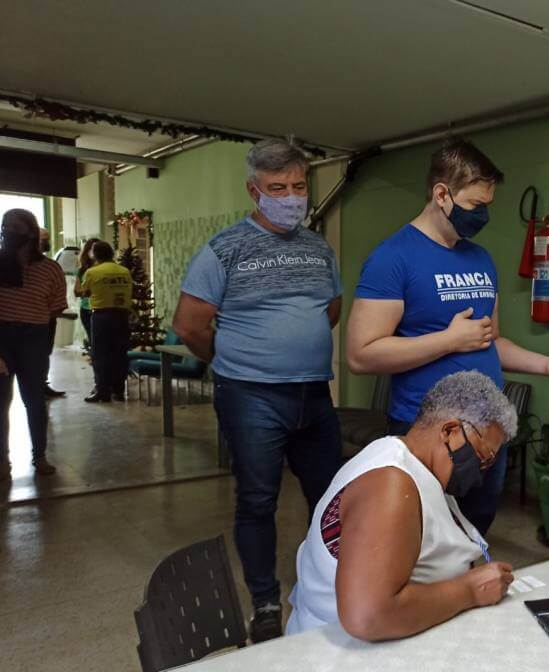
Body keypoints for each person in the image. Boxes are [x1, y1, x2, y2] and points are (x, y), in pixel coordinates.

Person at [346, 138, 549, 535]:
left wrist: (545, 364)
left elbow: (489, 339)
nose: (483, 215)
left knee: (473, 535)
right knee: (421, 540)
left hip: (487, 431)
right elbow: (361, 354)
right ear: (442, 194)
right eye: (476, 205)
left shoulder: (480, 258)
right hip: (429, 434)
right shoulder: (393, 258)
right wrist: (448, 340)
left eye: (487, 205)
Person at [172, 138, 344, 643]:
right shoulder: (224, 248)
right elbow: (189, 325)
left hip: (313, 393)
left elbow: (329, 310)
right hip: (251, 396)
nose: (291, 196)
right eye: (277, 188)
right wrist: (229, 359)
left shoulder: (318, 247)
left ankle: (330, 584)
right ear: (254, 189)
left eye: (297, 186)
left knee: (333, 497)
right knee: (256, 500)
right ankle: (266, 602)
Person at [286, 371, 516, 640]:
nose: (481, 471)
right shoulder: (390, 484)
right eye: (481, 457)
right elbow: (368, 616)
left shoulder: (410, 462)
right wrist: (470, 591)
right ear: (450, 431)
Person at [0, 209, 67, 479]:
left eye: (13, 227)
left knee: (35, 400)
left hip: (35, 337)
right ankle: (2, 461)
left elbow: (54, 308)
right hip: (1, 338)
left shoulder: (51, 268)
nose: (7, 232)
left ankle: (39, 456)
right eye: (4, 226)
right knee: (1, 401)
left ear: (29, 231)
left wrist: (39, 338)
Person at [81, 241, 132, 403]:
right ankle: (118, 391)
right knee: (120, 353)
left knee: (101, 354)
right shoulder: (125, 271)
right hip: (122, 316)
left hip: (102, 316)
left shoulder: (92, 272)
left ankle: (102, 391)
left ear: (95, 255)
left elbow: (83, 292)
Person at [37, 228, 66, 399]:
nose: (46, 243)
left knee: (45, 353)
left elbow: (58, 298)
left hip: (47, 321)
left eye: (47, 239)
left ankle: (42, 383)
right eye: (42, 239)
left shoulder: (51, 267)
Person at [73, 238, 100, 395]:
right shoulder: (83, 270)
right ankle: (99, 382)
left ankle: (106, 382)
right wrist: (88, 291)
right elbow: (77, 292)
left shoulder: (109, 269)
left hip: (103, 310)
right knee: (95, 346)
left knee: (104, 347)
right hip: (88, 310)